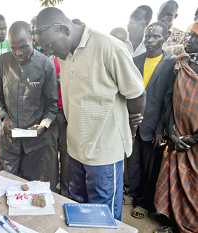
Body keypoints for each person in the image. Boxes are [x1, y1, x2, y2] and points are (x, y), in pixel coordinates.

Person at [34, 7, 146, 221]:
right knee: (78, 208)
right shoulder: (64, 54)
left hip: (104, 153)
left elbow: (137, 95)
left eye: (49, 44)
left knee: (103, 216)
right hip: (76, 149)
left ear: (63, 29)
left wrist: (129, 132)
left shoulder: (108, 46)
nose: (48, 50)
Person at [0, 21, 58, 181]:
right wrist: (4, 116)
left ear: (33, 40)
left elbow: (52, 104)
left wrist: (44, 125)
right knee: (7, 181)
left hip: (35, 143)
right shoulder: (1, 63)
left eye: (23, 47)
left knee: (30, 183)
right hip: (9, 142)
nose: (18, 53)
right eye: (13, 48)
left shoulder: (46, 65)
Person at [128, 22, 177, 219]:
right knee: (133, 162)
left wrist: (160, 130)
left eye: (155, 36)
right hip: (134, 122)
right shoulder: (136, 60)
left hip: (154, 126)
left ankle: (144, 203)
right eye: (148, 36)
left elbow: (168, 98)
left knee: (150, 167)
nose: (150, 40)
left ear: (164, 38)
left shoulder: (170, 62)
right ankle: (133, 194)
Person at [153, 21, 198, 233]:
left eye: (196, 38)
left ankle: (187, 227)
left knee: (192, 186)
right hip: (177, 133)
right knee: (174, 179)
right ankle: (171, 221)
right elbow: (170, 97)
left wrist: (193, 138)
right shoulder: (182, 63)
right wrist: (171, 131)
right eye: (189, 36)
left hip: (193, 142)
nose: (189, 41)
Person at [41, 54, 68, 196]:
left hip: (69, 114)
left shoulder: (73, 59)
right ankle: (49, 192)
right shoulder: (49, 60)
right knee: (49, 156)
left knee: (68, 156)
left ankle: (66, 195)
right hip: (50, 113)